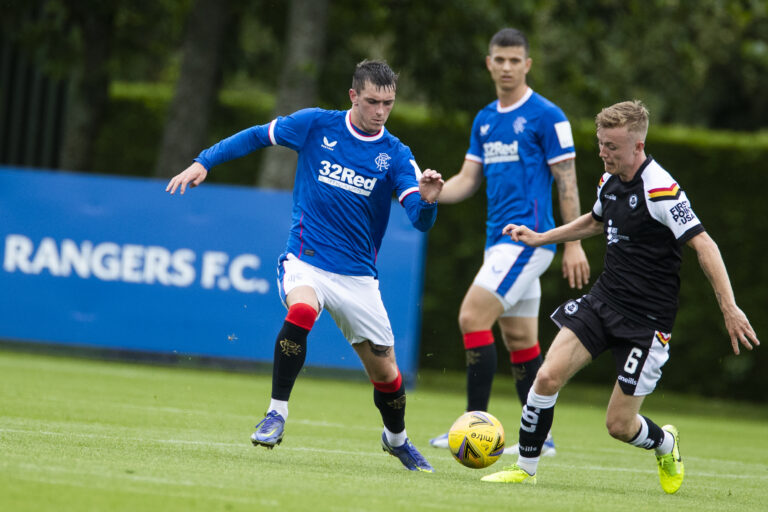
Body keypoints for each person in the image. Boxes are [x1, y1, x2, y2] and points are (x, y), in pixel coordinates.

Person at [166, 60, 444, 473]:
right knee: (301, 311)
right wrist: (205, 160)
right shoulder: (316, 125)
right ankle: (276, 413)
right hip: (306, 258)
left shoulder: (397, 156)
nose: (381, 111)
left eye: (388, 103)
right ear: (353, 96)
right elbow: (258, 135)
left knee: (387, 373)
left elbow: (419, 221)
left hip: (358, 277)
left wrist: (430, 200)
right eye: (372, 101)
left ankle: (396, 440)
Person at [481, 100, 760, 493]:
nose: (603, 153)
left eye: (611, 146)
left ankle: (665, 442)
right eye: (600, 143)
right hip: (603, 301)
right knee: (545, 377)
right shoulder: (608, 181)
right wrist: (544, 237)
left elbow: (705, 245)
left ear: (638, 146)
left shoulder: (661, 189)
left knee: (619, 426)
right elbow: (595, 221)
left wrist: (729, 307)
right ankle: (525, 468)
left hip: (646, 324)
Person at [429, 28, 589, 456]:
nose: (506, 67)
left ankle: (470, 425)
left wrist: (572, 243)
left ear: (527, 65)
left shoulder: (548, 116)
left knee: (470, 317)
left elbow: (567, 182)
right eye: (499, 59)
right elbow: (466, 181)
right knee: (519, 340)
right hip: (496, 244)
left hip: (528, 242)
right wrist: (430, 192)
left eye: (514, 60)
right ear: (488, 63)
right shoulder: (484, 119)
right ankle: (541, 438)